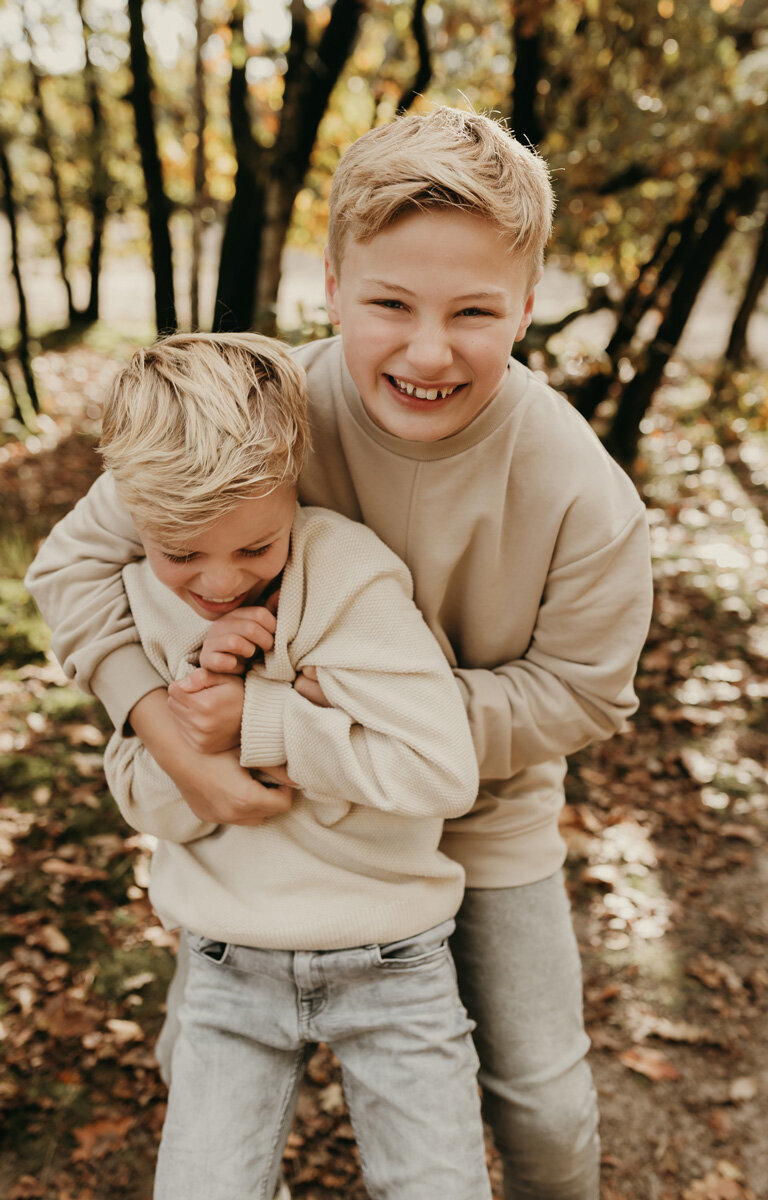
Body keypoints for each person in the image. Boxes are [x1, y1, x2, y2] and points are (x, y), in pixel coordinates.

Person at [26, 106, 653, 1200]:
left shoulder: (579, 488)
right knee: (200, 1063)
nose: (425, 349)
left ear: (528, 302)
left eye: (472, 311)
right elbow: (71, 568)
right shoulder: (257, 421)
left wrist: (364, 722)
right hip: (276, 822)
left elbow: (583, 690)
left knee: (541, 1098)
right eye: (387, 304)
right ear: (329, 289)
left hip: (481, 808)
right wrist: (158, 723)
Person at [82, 330, 489, 1199]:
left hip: (393, 957)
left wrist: (263, 718)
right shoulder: (145, 597)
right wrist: (195, 712)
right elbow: (150, 801)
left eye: (254, 549)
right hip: (231, 961)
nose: (221, 583)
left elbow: (441, 771)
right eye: (182, 553)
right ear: (132, 514)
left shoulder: (347, 576)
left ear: (291, 485)